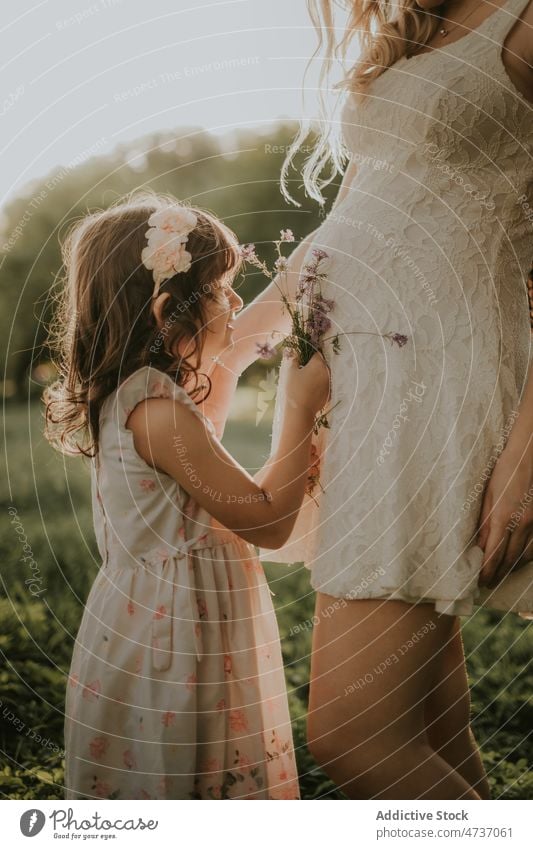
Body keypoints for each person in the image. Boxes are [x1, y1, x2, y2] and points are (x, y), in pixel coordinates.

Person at [219, 0, 533, 798]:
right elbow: (348, 228)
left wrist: (527, 451)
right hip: (367, 389)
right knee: (424, 730)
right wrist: (226, 348)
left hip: (446, 387)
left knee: (352, 734)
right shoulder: (412, 29)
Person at [43, 191, 330, 800]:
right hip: (175, 647)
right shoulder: (158, 412)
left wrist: (321, 250)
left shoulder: (145, 394)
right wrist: (301, 405)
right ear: (169, 310)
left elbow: (241, 346)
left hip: (162, 627)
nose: (233, 302)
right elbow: (268, 522)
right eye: (223, 288)